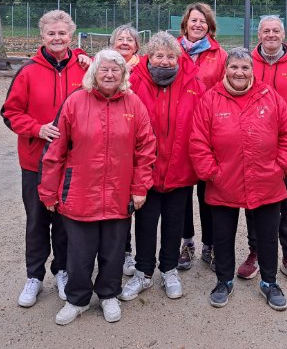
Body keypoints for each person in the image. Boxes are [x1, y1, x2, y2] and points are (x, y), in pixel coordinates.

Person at [38, 49, 156, 325]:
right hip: (80, 191)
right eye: (104, 69)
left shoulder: (134, 104)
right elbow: (55, 150)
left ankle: (108, 294)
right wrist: (49, 190)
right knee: (79, 251)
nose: (110, 74)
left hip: (119, 192)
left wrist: (140, 187)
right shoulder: (75, 102)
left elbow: (146, 148)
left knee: (113, 250)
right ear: (94, 73)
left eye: (116, 70)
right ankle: (77, 299)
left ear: (124, 75)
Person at [189, 47, 287, 311]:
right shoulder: (210, 99)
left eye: (244, 68)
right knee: (223, 235)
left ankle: (269, 281)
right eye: (234, 67)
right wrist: (211, 173)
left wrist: (281, 167)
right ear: (225, 69)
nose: (239, 72)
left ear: (252, 70)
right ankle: (224, 280)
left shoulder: (269, 96)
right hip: (223, 181)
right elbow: (198, 141)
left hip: (266, 179)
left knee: (266, 235)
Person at [0, 10, 89, 309]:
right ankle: (34, 276)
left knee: (65, 222)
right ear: (42, 36)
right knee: (37, 221)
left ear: (71, 36)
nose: (57, 38)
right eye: (51, 33)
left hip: (70, 163)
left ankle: (62, 271)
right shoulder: (28, 72)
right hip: (35, 162)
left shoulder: (84, 68)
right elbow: (9, 113)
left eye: (62, 33)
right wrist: (36, 128)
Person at [119, 32, 205, 302]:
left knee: (173, 223)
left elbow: (204, 121)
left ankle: (169, 269)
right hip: (146, 168)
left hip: (179, 167)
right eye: (159, 56)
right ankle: (143, 272)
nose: (165, 61)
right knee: (145, 222)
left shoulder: (192, 82)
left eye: (170, 56)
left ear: (178, 58)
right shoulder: (134, 81)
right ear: (149, 56)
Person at [237, 15, 287, 287]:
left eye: (275, 31)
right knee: (254, 201)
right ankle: (256, 253)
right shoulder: (247, 64)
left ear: (283, 35)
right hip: (255, 150)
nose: (271, 35)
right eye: (266, 31)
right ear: (259, 35)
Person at [83, 24, 142, 276]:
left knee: (126, 206)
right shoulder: (98, 67)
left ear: (137, 46)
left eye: (130, 39)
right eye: (120, 38)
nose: (125, 42)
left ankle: (126, 255)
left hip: (129, 142)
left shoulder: (145, 67)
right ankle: (116, 255)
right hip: (101, 145)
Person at [176, 3, 227, 271]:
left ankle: (211, 244)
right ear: (185, 23)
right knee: (182, 193)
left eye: (203, 21)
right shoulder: (171, 49)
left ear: (209, 26)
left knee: (209, 193)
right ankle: (187, 243)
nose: (198, 25)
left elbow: (224, 92)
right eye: (194, 20)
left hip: (209, 133)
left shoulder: (220, 55)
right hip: (178, 132)